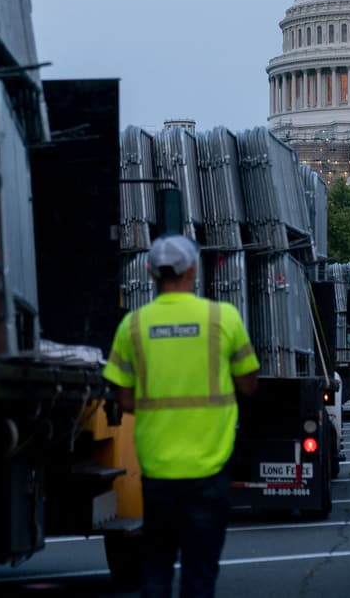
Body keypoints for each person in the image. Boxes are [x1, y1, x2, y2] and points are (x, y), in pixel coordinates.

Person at [103, 234, 260, 598]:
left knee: (156, 568)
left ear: (150, 272)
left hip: (158, 470)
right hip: (210, 468)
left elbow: (124, 399)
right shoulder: (224, 318)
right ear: (193, 269)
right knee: (200, 572)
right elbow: (250, 384)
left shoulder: (133, 326)